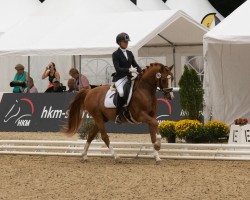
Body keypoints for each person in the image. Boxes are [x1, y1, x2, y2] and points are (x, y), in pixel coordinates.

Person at [112, 32, 142, 124]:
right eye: (124, 42)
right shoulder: (115, 54)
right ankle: (118, 115)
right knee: (121, 93)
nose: (126, 43)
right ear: (119, 42)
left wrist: (141, 71)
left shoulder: (129, 53)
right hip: (120, 78)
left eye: (127, 42)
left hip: (129, 78)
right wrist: (129, 70)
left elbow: (135, 65)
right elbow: (118, 68)